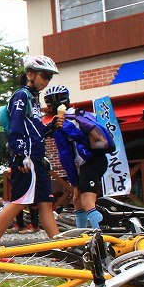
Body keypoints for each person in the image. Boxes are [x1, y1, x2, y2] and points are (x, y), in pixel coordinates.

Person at [0, 56, 61, 243]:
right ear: (30, 74)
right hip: (25, 158)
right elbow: (16, 126)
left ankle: (61, 247)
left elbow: (35, 131)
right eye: (44, 76)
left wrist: (51, 126)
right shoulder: (21, 95)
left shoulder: (34, 99)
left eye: (49, 78)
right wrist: (20, 155)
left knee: (46, 204)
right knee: (21, 201)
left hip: (37, 158)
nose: (46, 81)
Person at [44, 84, 108, 229]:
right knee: (78, 200)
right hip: (97, 158)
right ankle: (82, 234)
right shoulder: (80, 114)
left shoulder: (60, 123)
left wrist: (73, 181)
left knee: (87, 201)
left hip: (87, 161)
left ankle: (103, 236)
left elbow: (65, 155)